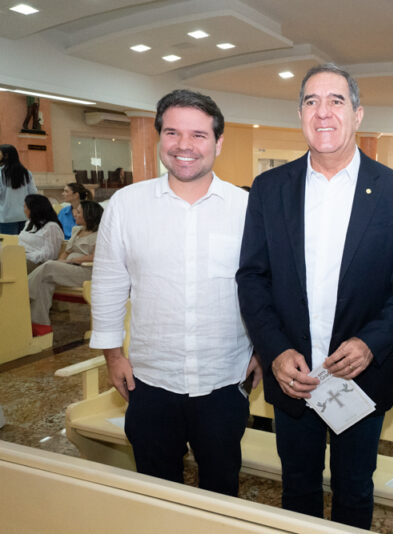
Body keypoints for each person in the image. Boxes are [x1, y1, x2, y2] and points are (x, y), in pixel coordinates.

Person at [236, 63, 393, 529]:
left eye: (336, 101)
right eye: (312, 101)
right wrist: (274, 351)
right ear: (299, 113)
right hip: (292, 377)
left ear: (358, 114)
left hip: (360, 379)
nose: (324, 112)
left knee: (355, 490)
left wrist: (370, 343)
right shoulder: (269, 189)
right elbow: (252, 278)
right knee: (297, 486)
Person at [89, 89, 260, 497]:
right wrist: (113, 356)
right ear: (159, 138)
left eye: (199, 135)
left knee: (221, 493)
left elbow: (263, 288)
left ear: (219, 142)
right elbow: (109, 284)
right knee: (157, 492)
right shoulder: (126, 206)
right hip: (150, 381)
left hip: (224, 380)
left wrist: (262, 352)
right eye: (172, 132)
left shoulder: (248, 208)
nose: (184, 145)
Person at [28, 200, 103, 336]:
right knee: (44, 283)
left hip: (86, 271)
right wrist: (62, 261)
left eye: (79, 212)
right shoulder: (77, 231)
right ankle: (41, 326)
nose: (75, 214)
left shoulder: (100, 234)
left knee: (49, 265)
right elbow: (67, 251)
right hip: (69, 267)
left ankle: (24, 293)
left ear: (89, 215)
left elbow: (94, 257)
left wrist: (72, 261)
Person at [19, 194, 64, 272]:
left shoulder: (51, 227)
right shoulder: (30, 223)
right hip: (22, 257)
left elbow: (50, 255)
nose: (24, 209)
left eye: (25, 207)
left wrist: (26, 255)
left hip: (38, 264)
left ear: (34, 209)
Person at [0, 144, 38, 234]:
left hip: (6, 217)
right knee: (22, 246)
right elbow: (33, 193)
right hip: (24, 215)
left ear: (6, 156)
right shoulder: (26, 172)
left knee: (9, 246)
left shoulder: (1, 173)